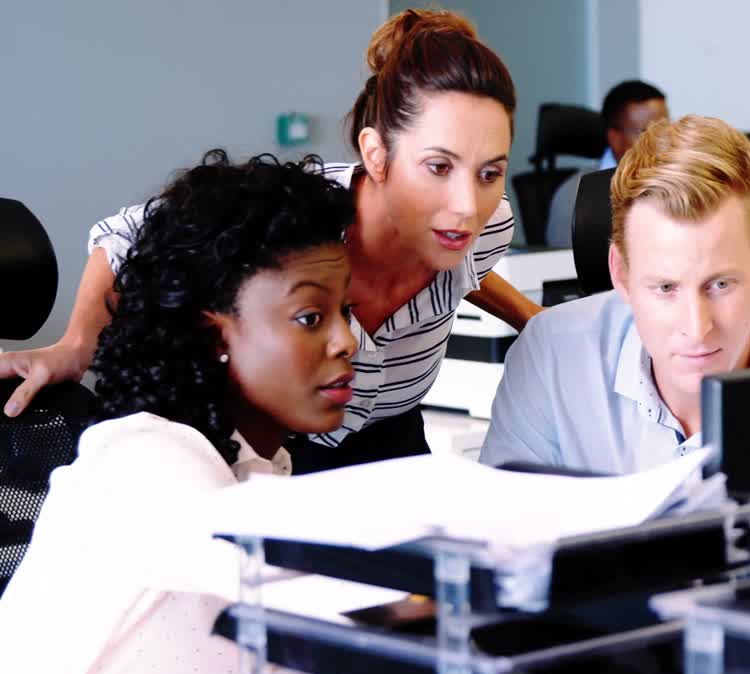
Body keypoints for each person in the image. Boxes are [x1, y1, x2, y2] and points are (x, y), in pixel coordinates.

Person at [0, 9, 538, 474]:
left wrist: (537, 324)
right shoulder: (300, 217)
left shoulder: (485, 225)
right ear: (376, 156)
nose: (467, 205)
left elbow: (465, 269)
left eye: (490, 172)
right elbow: (127, 236)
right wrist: (76, 343)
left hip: (394, 442)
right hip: (286, 443)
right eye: (438, 166)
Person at [0, 151, 356, 674]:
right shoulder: (146, 458)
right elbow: (307, 591)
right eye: (310, 317)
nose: (346, 341)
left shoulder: (255, 466)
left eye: (347, 310)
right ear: (214, 333)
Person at [481, 115, 750, 473]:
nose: (696, 327)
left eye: (720, 284)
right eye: (666, 287)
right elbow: (499, 526)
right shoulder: (551, 359)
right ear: (621, 273)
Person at [543, 80, 669, 248]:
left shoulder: (676, 184)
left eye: (666, 130)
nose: (662, 141)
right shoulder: (576, 196)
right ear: (615, 139)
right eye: (647, 132)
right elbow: (566, 269)